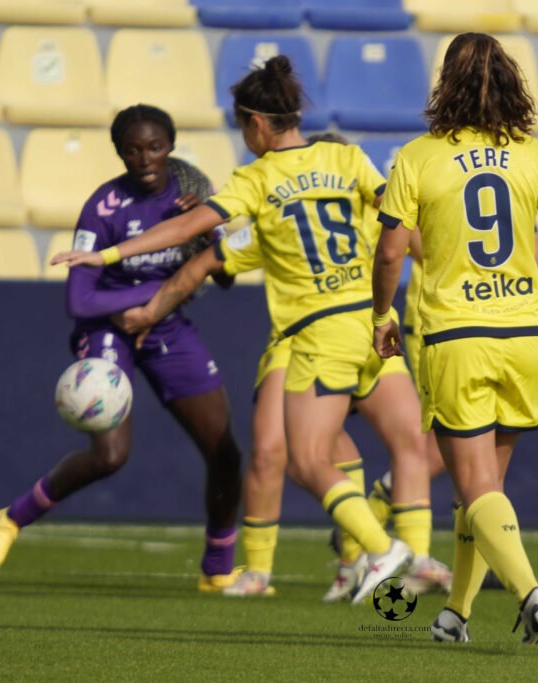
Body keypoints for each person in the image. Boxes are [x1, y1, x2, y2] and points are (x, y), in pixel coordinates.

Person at [53, 57, 431, 605]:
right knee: (401, 445)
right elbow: (399, 220)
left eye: (241, 126)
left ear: (256, 122)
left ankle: (379, 551)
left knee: (299, 458)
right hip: (375, 323)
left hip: (315, 335)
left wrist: (109, 252)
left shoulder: (257, 181)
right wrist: (443, 276)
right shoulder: (347, 157)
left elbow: (186, 232)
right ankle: (395, 559)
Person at [0, 105, 244, 592]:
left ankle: (218, 570)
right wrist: (158, 294)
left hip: (166, 327)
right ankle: (10, 520)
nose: (146, 158)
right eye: (134, 150)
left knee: (224, 452)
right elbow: (80, 299)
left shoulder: (191, 199)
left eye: (155, 147)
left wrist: (205, 238)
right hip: (106, 330)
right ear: (120, 153)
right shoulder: (103, 207)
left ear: (171, 147)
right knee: (110, 455)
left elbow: (226, 278)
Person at [371, 32, 538, 646]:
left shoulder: (418, 156)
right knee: (483, 491)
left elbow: (391, 250)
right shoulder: (534, 154)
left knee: (475, 485)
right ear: (510, 80)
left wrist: (382, 315)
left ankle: (532, 594)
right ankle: (455, 616)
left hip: (458, 333)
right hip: (526, 333)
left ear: (444, 83)